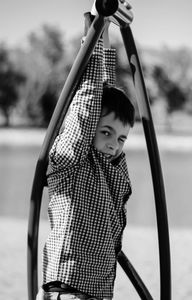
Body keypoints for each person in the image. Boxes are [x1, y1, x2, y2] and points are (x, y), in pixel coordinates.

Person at [37, 4, 135, 300]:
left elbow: (106, 89)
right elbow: (91, 95)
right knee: (95, 94)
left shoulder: (110, 168)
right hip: (69, 289)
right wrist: (96, 22)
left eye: (121, 138)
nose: (113, 144)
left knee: (105, 91)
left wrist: (105, 28)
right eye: (106, 133)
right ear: (89, 127)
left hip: (98, 291)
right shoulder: (71, 159)